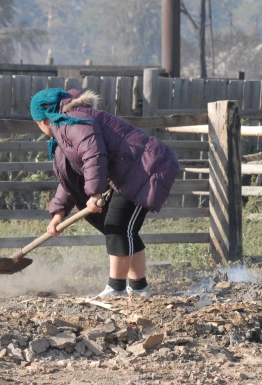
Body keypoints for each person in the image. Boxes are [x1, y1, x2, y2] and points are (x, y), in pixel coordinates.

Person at [30, 88, 180, 298]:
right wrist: (58, 213)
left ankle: (116, 288)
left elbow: (94, 154)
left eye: (38, 124)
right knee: (124, 230)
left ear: (44, 121)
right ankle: (139, 288)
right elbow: (70, 179)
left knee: (117, 227)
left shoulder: (73, 121)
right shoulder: (64, 133)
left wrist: (95, 193)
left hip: (146, 169)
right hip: (129, 173)